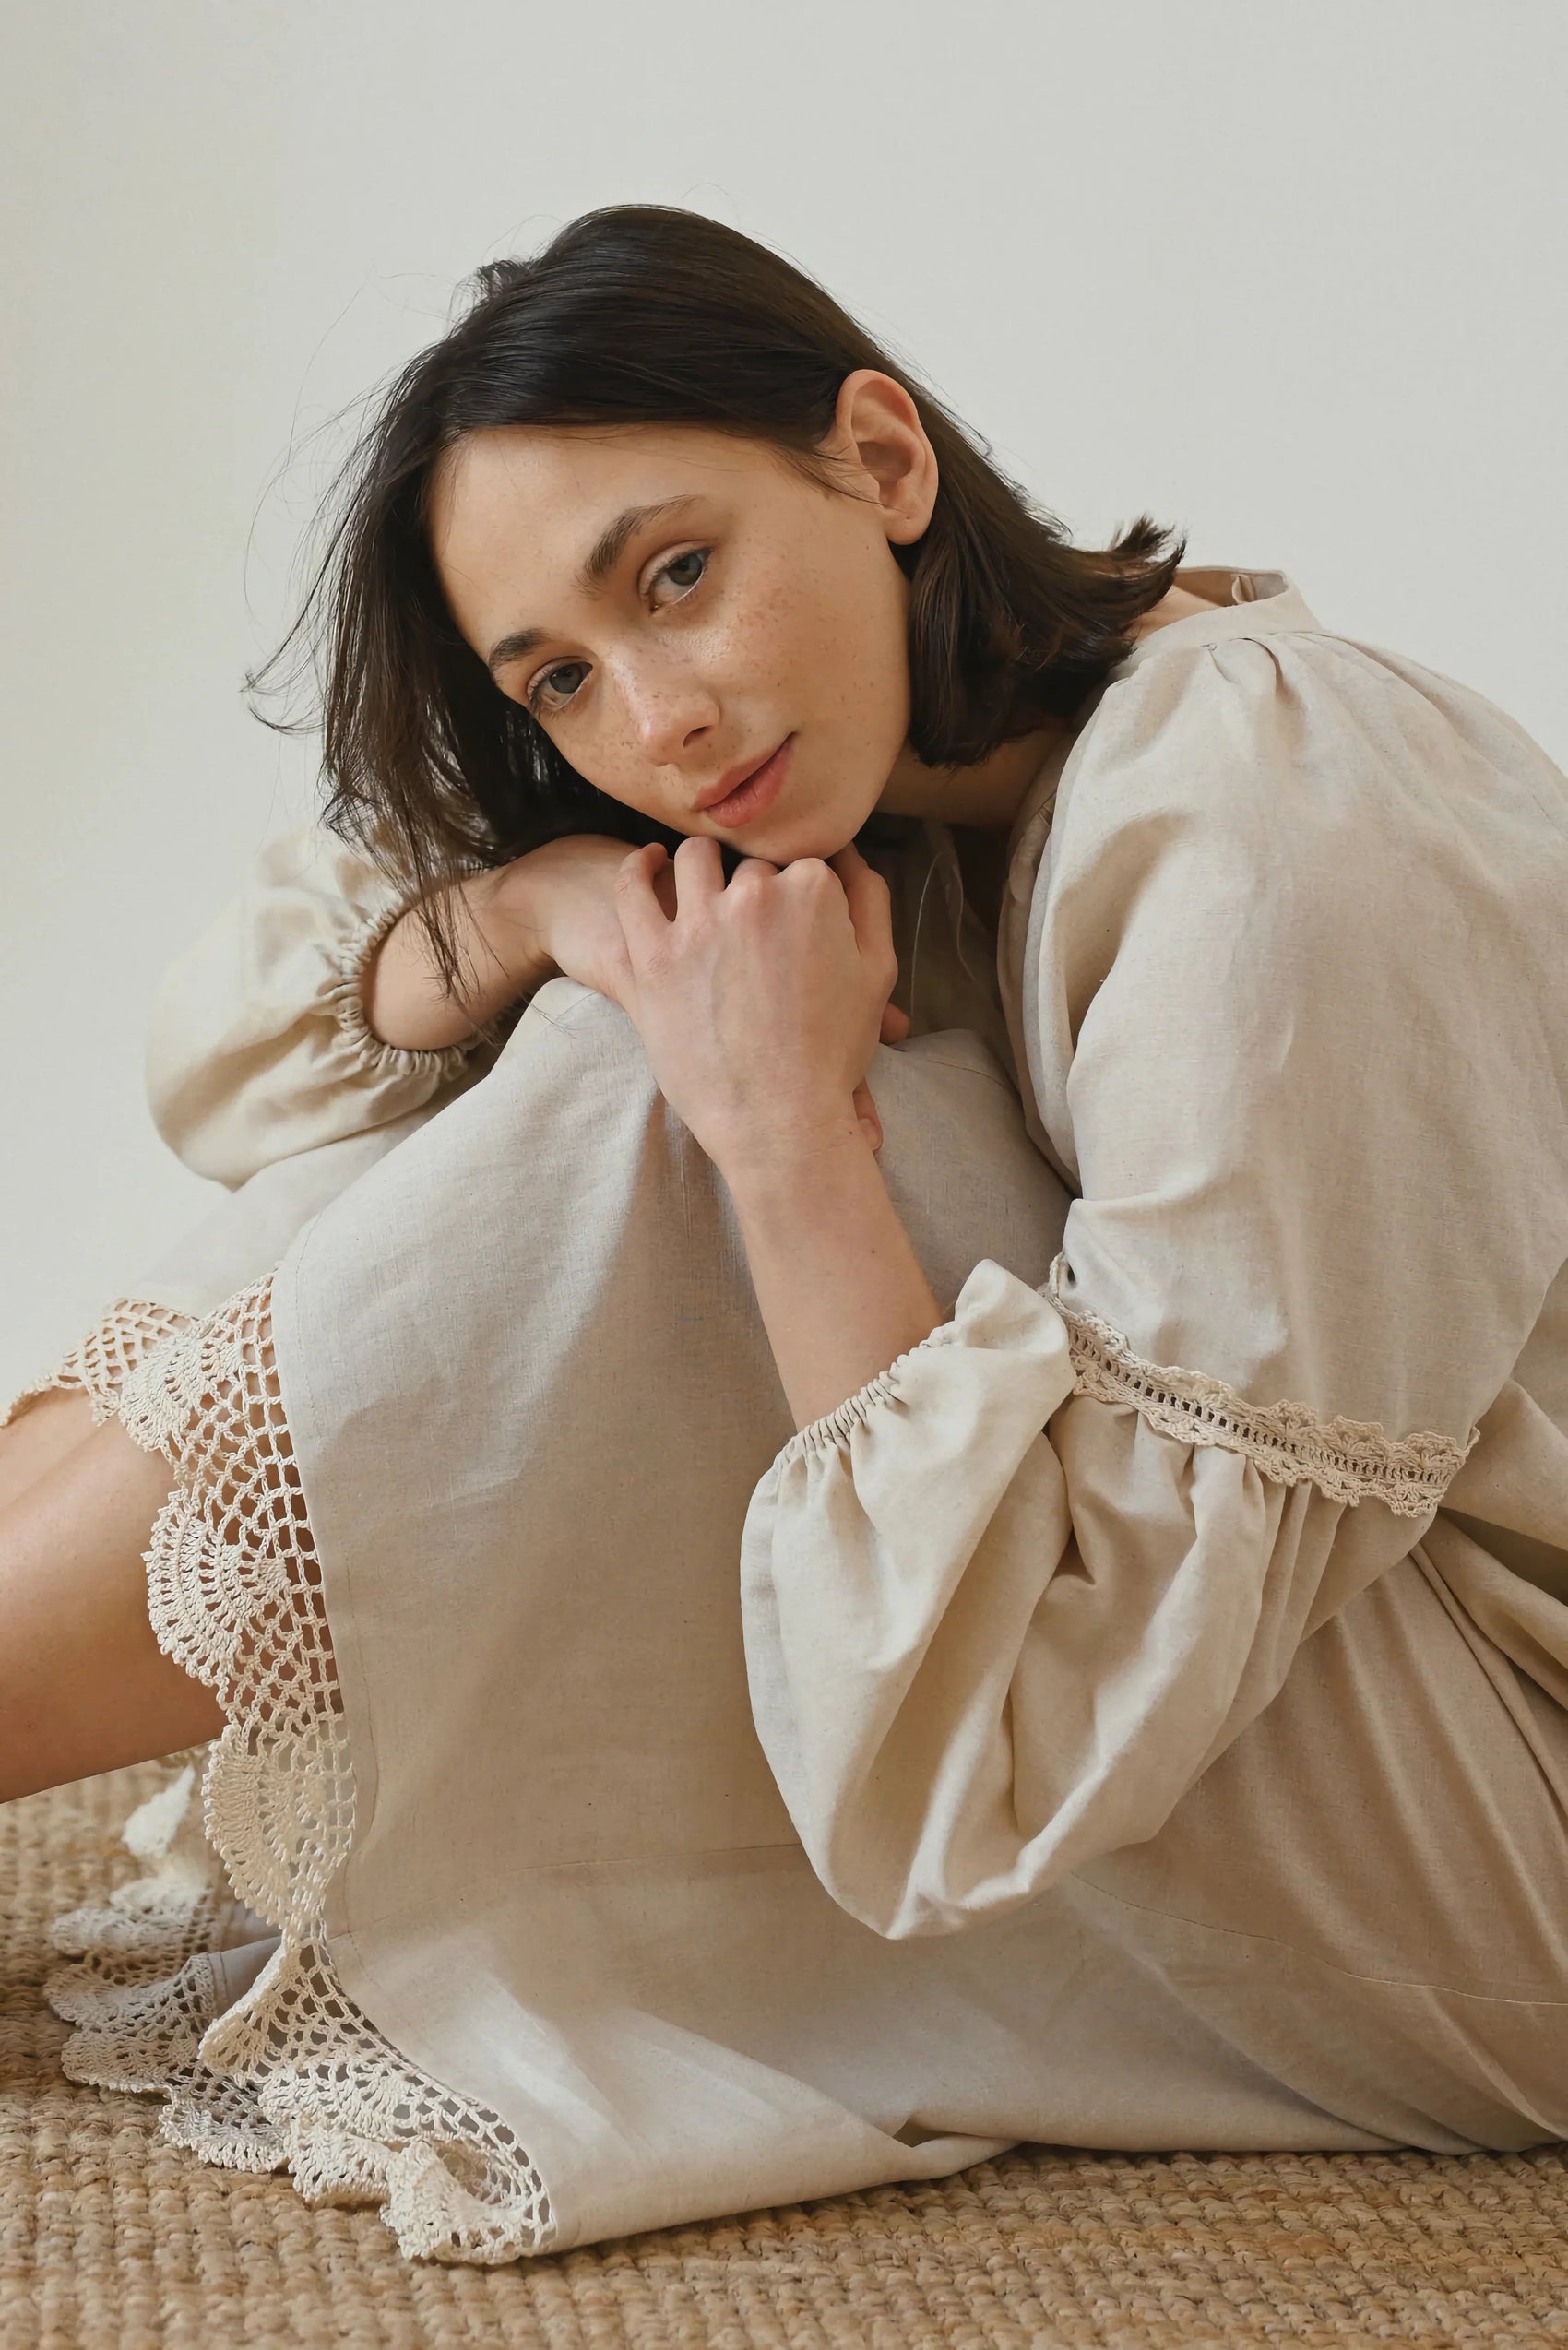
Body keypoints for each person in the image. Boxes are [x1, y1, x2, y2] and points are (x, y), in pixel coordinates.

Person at [3, 202, 1567, 2270]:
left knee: (672, 1074)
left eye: (678, 572)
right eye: (557, 673)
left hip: (1510, 1840)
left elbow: (1015, 1732)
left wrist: (776, 1134)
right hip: (1310, 1715)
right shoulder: (920, 807)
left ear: (881, 461)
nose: (654, 714)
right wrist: (563, 902)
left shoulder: (1271, 813)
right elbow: (260, 1056)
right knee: (658, 981)